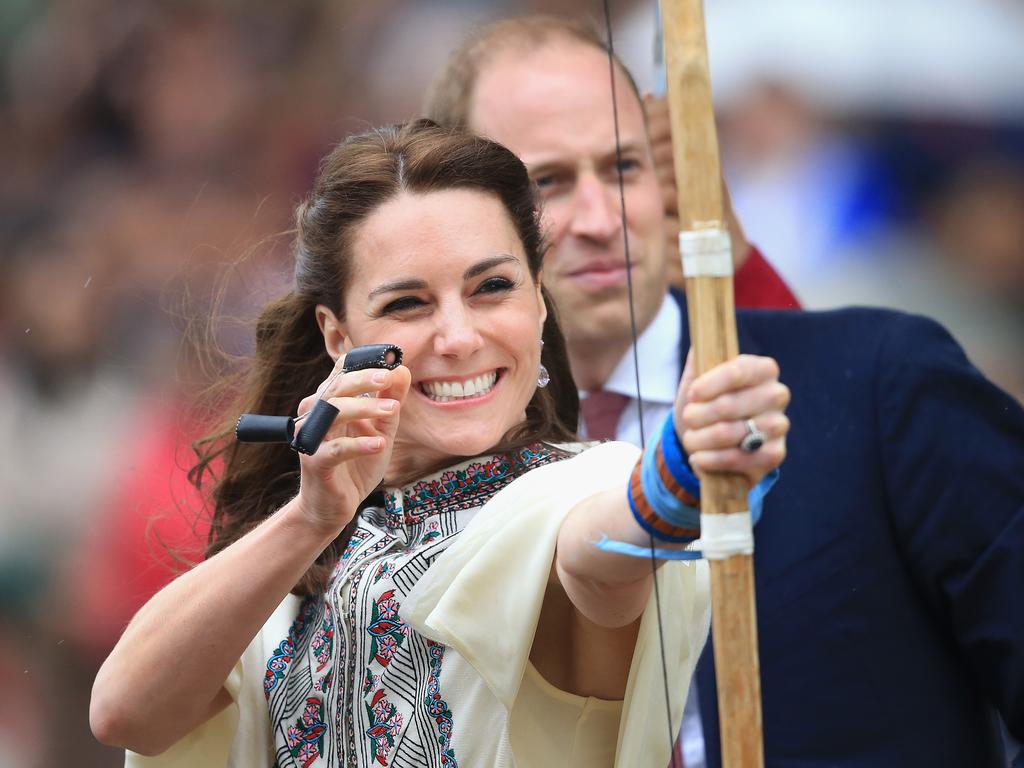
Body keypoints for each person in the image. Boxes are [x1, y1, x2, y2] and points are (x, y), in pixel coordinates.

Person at [89, 120, 789, 767]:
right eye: (407, 304)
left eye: (492, 288)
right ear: (338, 338)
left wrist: (677, 474)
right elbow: (125, 713)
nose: (457, 338)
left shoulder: (577, 490)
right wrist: (311, 518)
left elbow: (606, 550)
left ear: (539, 301)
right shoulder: (305, 549)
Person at [424, 16, 1024, 768]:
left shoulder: (881, 381)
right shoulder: (435, 472)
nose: (602, 219)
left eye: (623, 168)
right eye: (546, 182)